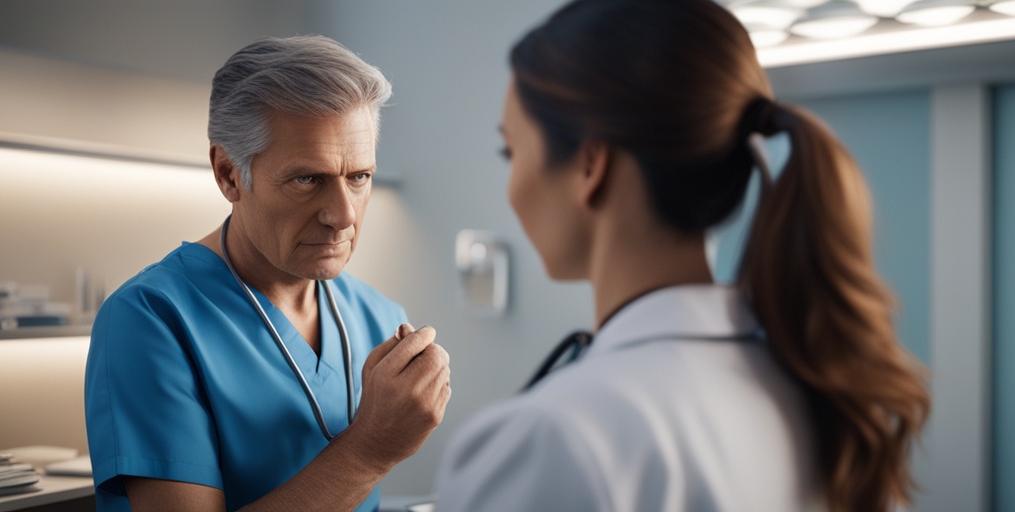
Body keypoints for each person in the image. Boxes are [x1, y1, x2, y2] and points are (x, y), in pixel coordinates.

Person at [433, 1, 930, 511]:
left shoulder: (554, 442)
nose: (511, 186)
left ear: (589, 164)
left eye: (510, 152)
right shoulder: (826, 402)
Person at [84, 35, 451, 512]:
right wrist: (372, 448)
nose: (343, 215)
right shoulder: (149, 321)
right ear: (228, 174)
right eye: (307, 180)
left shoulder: (382, 318)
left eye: (358, 177)